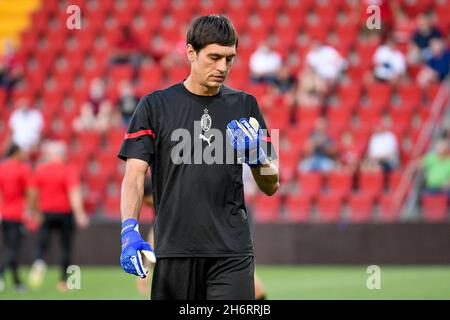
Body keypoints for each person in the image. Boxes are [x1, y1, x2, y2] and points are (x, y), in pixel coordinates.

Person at [118, 14, 279, 300]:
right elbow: (134, 176)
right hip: (174, 251)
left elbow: (271, 185)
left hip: (232, 252)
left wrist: (259, 159)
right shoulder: (154, 106)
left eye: (229, 59)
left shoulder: (246, 105)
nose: (222, 67)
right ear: (191, 52)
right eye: (214, 57)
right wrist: (129, 229)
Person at [136, 177, 268, 300]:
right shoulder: (168, 199)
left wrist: (146, 268)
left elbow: (156, 233)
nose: (149, 206)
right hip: (217, 225)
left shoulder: (173, 198)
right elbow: (155, 232)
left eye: (148, 202)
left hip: (229, 218)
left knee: (235, 263)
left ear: (150, 194)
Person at [28, 140, 89, 292]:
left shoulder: (40, 169)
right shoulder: (68, 170)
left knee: (42, 244)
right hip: (64, 213)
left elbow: (33, 194)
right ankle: (63, 281)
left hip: (45, 212)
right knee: (66, 248)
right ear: (61, 155)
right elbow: (74, 193)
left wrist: (34, 211)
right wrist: (80, 214)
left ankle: (39, 262)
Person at [0, 145, 31, 293]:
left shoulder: (2, 168)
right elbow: (30, 191)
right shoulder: (22, 169)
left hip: (4, 214)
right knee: (14, 249)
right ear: (16, 153)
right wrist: (30, 210)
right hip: (17, 214)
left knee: (10, 249)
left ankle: (17, 282)